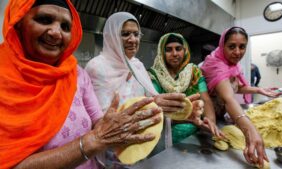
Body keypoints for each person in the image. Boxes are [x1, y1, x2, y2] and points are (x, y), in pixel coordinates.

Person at [0, 1, 161, 169]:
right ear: (18, 23)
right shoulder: (4, 76)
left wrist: (109, 125)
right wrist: (92, 142)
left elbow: (97, 119)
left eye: (65, 26)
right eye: (44, 20)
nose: (56, 33)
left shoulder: (76, 74)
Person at [85, 12, 207, 167]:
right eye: (125, 34)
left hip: (140, 148)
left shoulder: (137, 66)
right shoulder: (97, 67)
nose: (133, 39)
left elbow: (153, 108)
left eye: (136, 34)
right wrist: (153, 104)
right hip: (112, 153)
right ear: (111, 36)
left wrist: (180, 112)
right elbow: (99, 120)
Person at [200, 27, 282, 168]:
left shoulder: (231, 65)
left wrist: (258, 89)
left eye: (242, 47)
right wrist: (250, 131)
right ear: (222, 45)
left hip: (221, 114)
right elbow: (228, 98)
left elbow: (235, 87)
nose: (237, 52)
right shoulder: (214, 64)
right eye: (232, 46)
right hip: (207, 119)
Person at [148, 33, 223, 143]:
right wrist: (183, 118)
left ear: (185, 50)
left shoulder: (194, 72)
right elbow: (154, 108)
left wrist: (210, 121)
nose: (174, 53)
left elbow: (205, 99)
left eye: (178, 49)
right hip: (164, 137)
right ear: (162, 53)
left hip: (193, 136)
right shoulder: (154, 75)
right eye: (169, 50)